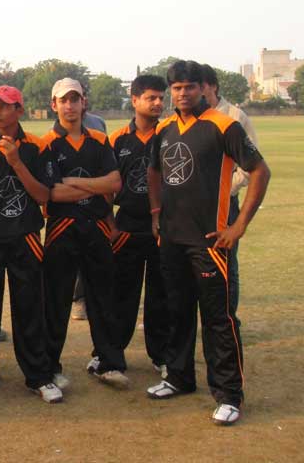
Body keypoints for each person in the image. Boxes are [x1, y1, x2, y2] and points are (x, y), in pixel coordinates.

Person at [146, 60, 270, 426]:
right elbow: (154, 170)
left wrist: (239, 225)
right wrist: (156, 211)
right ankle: (179, 377)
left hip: (210, 241)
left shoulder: (223, 125)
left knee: (218, 318)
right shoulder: (164, 127)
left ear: (203, 88)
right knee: (177, 311)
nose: (183, 93)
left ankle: (229, 394)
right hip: (172, 238)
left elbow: (260, 170)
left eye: (190, 87)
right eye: (177, 88)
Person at [0, 85, 63, 404]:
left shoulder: (37, 147)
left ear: (19, 110)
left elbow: (44, 196)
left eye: (4, 106)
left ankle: (39, 377)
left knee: (30, 311)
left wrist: (16, 162)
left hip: (26, 240)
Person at [42, 78, 128, 389]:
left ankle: (109, 362)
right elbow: (53, 193)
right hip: (61, 229)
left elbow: (114, 183)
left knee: (103, 298)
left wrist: (74, 183)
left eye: (75, 99)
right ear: (54, 105)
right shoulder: (46, 144)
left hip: (97, 227)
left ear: (83, 103)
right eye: (63, 100)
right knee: (56, 301)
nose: (70, 106)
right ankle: (49, 367)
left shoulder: (99, 140)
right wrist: (94, 185)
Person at [108, 75, 169, 377]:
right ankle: (110, 355)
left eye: (161, 98)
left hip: (163, 227)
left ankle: (162, 356)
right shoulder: (117, 139)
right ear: (134, 100)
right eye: (151, 98)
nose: (158, 103)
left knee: (161, 295)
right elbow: (107, 187)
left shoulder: (170, 134)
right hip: (127, 225)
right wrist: (111, 225)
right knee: (122, 294)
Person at [201, 64, 259, 312]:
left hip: (224, 205)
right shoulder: (188, 118)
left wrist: (220, 189)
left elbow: (250, 169)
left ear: (213, 86)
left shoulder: (234, 117)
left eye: (199, 86)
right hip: (190, 207)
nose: (192, 92)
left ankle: (226, 318)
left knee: (225, 263)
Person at [70, 88, 107, 321]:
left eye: (77, 98)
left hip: (95, 206)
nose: (72, 104)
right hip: (69, 208)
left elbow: (109, 174)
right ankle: (77, 299)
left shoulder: (98, 123)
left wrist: (90, 185)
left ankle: (87, 298)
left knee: (94, 260)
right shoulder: (57, 131)